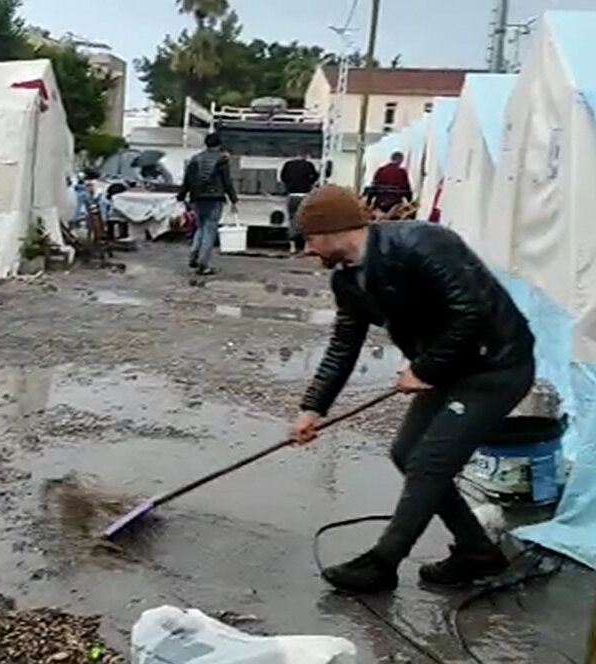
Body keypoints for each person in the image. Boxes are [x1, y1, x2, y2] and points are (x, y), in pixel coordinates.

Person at [289, 185, 535, 595]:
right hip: (448, 367)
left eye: (310, 238)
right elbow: (343, 345)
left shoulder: (422, 242)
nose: (307, 249)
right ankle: (478, 553)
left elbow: (470, 311)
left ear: (335, 229)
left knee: (429, 462)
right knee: (406, 453)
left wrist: (423, 367)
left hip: (496, 366)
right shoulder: (347, 280)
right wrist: (312, 408)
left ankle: (382, 563)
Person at [177, 133, 239, 275]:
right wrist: (233, 199)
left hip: (197, 198)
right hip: (215, 198)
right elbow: (226, 181)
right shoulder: (222, 159)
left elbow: (187, 180)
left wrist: (181, 196)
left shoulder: (195, 159)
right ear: (219, 144)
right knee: (210, 229)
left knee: (200, 227)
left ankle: (194, 253)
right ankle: (203, 264)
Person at [279, 152, 319, 254]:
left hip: (292, 195)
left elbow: (282, 177)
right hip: (305, 196)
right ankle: (306, 247)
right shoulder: (308, 165)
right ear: (305, 156)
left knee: (292, 220)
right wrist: (309, 182)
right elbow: (315, 177)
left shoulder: (288, 164)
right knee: (306, 221)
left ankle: (292, 247)